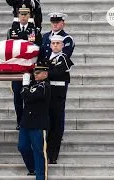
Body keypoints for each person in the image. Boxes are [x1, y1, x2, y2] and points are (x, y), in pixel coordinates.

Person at [39, 12, 75, 139]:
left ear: (63, 23)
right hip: (46, 82)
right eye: (53, 22)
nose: (55, 24)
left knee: (57, 116)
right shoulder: (45, 37)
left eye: (57, 22)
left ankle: (55, 143)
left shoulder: (67, 39)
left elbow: (62, 61)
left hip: (58, 81)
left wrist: (45, 71)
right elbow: (41, 56)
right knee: (46, 114)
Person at [7, 5, 42, 130]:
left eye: (25, 14)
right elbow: (8, 50)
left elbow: (39, 48)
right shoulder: (12, 31)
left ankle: (28, 119)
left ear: (29, 16)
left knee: (29, 95)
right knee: (17, 96)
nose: (23, 17)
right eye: (21, 14)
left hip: (29, 69)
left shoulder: (35, 31)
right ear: (18, 16)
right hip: (17, 69)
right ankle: (19, 120)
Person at [18, 62, 50, 180]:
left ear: (45, 74)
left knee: (38, 150)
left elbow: (29, 96)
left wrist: (25, 87)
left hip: (38, 123)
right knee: (22, 146)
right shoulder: (33, 84)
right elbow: (22, 95)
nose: (35, 75)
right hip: (26, 122)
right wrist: (26, 88)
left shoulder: (45, 86)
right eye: (34, 73)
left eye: (38, 73)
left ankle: (41, 176)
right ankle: (32, 168)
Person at [45, 35, 74, 164]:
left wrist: (45, 72)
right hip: (47, 95)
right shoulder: (47, 58)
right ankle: (46, 152)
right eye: (53, 43)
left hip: (58, 95)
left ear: (62, 45)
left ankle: (53, 154)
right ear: (50, 45)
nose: (55, 45)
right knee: (48, 125)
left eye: (58, 43)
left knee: (56, 126)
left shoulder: (64, 58)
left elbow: (58, 72)